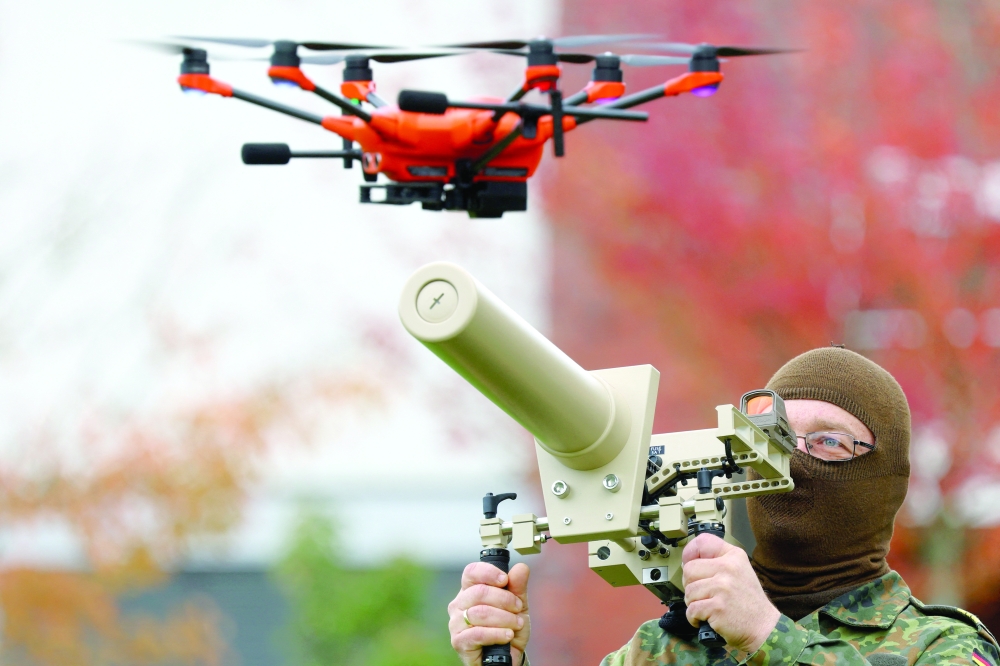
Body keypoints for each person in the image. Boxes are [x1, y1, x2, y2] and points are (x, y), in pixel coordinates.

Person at [446, 347, 1000, 665]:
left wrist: (765, 637)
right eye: (777, 437)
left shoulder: (942, 646)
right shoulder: (662, 649)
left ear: (882, 481)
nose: (794, 460)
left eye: (828, 441)